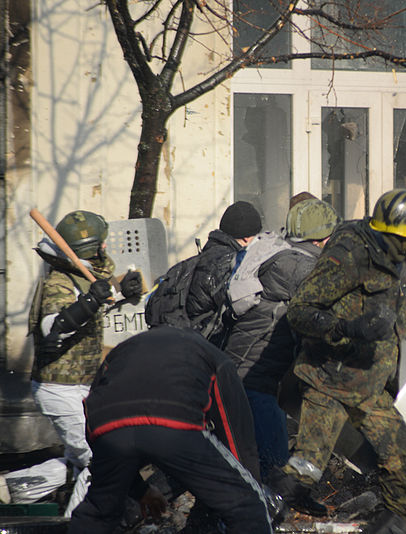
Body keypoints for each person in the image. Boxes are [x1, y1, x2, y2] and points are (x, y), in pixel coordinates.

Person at [273, 188, 406, 532]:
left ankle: (398, 527)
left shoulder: (393, 254)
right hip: (329, 382)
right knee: (304, 472)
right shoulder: (348, 253)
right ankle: (242, 518)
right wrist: (347, 328)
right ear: (387, 232)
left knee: (401, 454)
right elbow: (300, 311)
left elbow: (382, 311)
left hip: (367, 384)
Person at [68, 326, 271, 534]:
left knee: (99, 512)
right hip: (174, 425)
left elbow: (95, 410)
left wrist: (141, 490)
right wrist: (248, 486)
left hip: (108, 428)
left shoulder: (124, 350)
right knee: (247, 505)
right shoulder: (214, 357)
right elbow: (235, 435)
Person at [28, 210, 142, 516]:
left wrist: (120, 290)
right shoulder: (58, 282)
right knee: (100, 460)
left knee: (79, 460)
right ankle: (77, 525)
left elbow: (98, 297)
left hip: (80, 386)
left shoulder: (82, 275)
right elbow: (52, 326)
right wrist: (90, 301)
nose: (106, 248)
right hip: (58, 387)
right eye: (102, 243)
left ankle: (14, 489)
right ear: (91, 249)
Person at [225, 197, 340, 478]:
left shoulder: (281, 254)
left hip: (246, 374)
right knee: (275, 470)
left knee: (230, 462)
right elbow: (341, 301)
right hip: (251, 379)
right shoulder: (297, 268)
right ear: (323, 238)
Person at [186, 200, 262, 346]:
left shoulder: (209, 253)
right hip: (208, 343)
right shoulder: (230, 262)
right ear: (247, 238)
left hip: (190, 337)